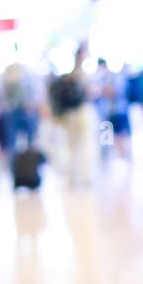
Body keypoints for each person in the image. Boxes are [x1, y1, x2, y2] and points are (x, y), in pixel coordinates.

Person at [49, 44, 93, 186]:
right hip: (78, 112)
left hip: (71, 113)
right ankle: (79, 175)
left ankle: (77, 175)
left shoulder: (72, 73)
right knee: (78, 145)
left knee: (74, 145)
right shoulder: (78, 74)